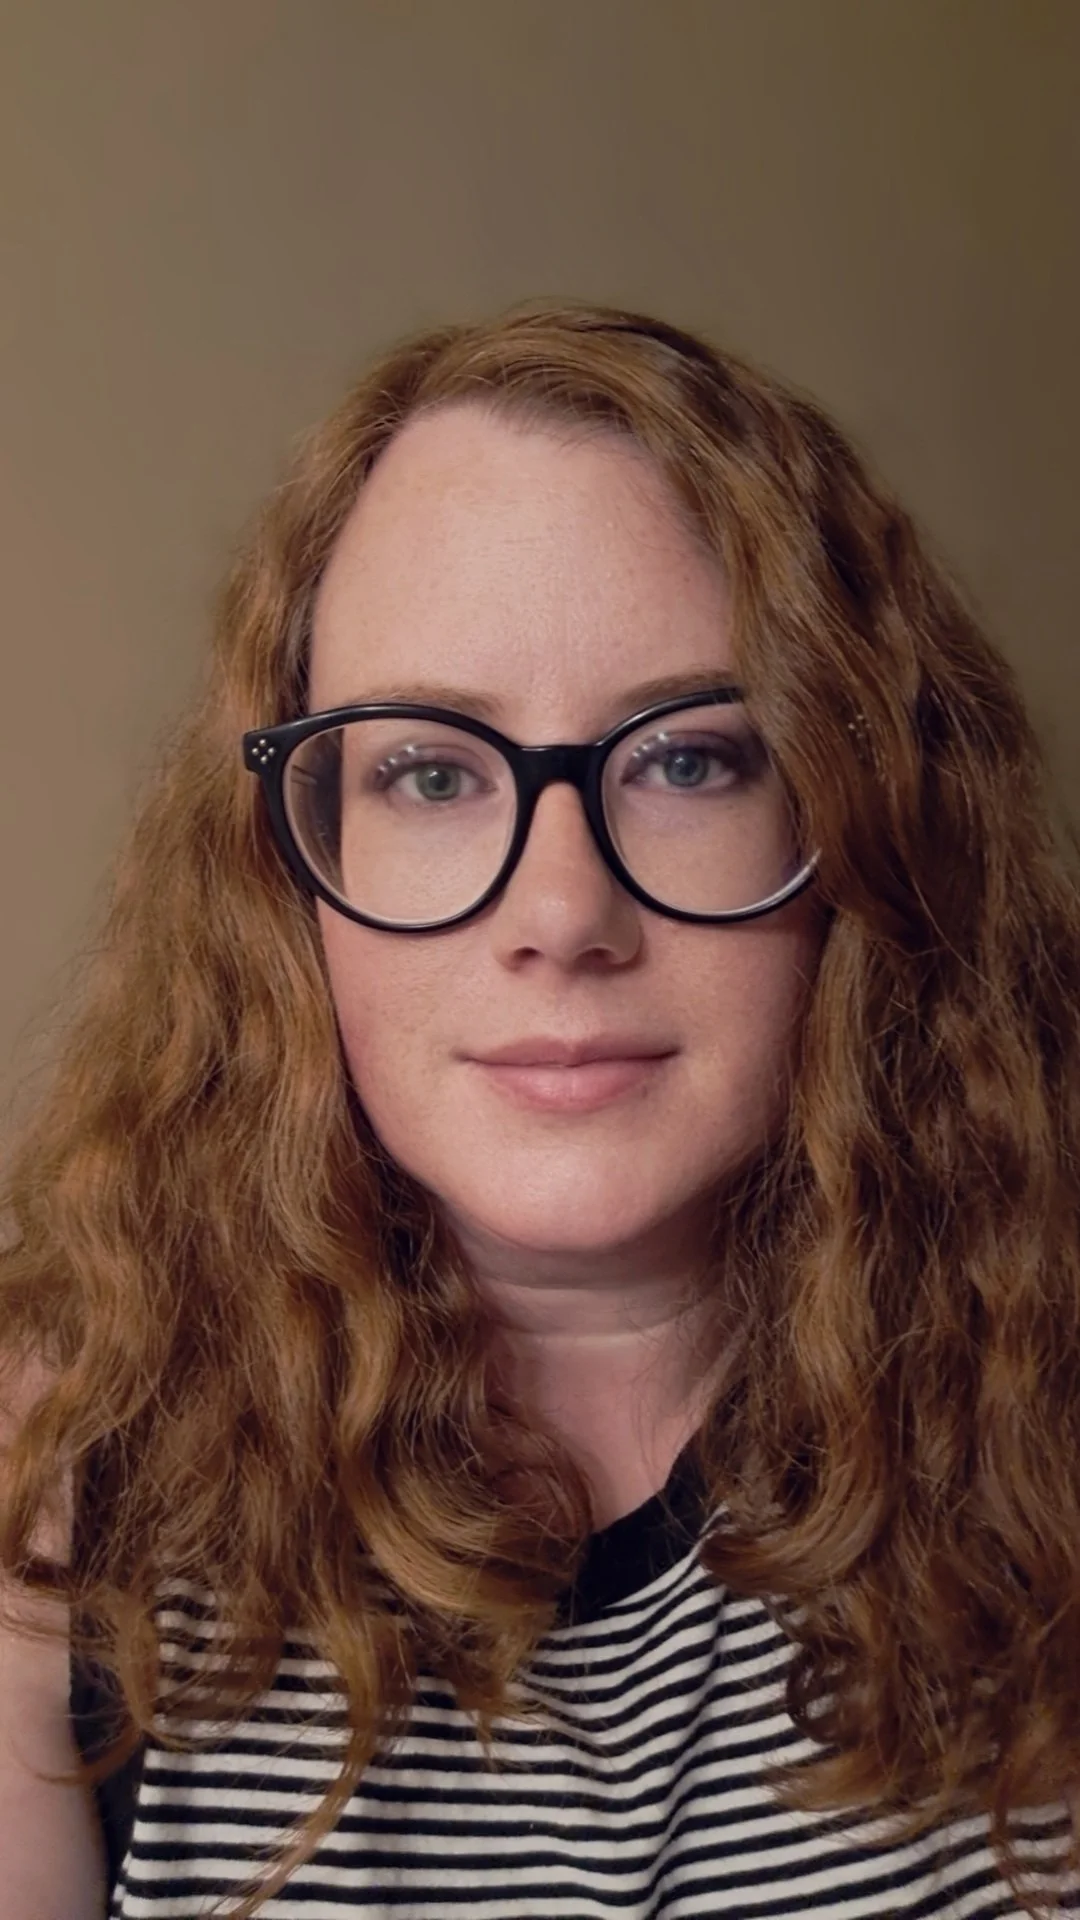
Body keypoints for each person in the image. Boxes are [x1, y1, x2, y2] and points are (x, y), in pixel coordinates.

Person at [2, 299, 1080, 1920]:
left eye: (692, 759)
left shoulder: (1046, 1442)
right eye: (433, 773)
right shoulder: (49, 1491)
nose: (563, 912)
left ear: (862, 822)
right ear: (294, 865)